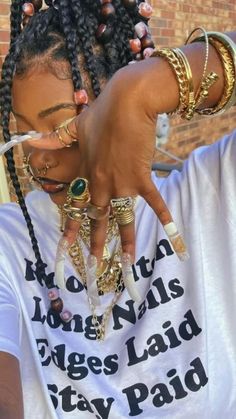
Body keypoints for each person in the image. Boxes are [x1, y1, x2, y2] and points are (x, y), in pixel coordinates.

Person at [0, 0, 236, 418]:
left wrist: (148, 87)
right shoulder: (10, 240)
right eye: (22, 134)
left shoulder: (210, 195)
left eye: (60, 128)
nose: (37, 159)